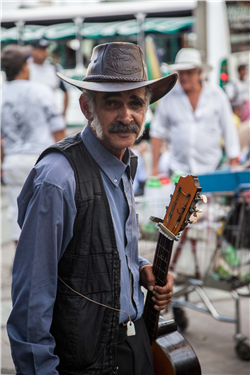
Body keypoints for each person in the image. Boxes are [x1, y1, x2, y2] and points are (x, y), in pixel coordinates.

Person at [7, 42, 177, 375]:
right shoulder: (58, 178)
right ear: (87, 107)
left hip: (133, 342)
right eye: (112, 103)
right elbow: (31, 300)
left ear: (146, 109)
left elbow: (103, 248)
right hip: (85, 358)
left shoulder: (126, 162)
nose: (126, 116)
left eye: (136, 103)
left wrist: (140, 269)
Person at [0, 44, 66, 246]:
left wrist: (4, 162)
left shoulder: (1, 95)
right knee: (47, 215)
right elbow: (58, 129)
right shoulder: (41, 91)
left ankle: (21, 268)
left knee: (16, 215)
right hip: (41, 161)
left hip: (13, 161)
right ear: (24, 67)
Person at [150, 48, 241, 176]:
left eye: (189, 72)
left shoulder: (216, 95)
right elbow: (157, 131)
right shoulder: (168, 98)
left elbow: (228, 128)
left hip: (211, 168)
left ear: (199, 74)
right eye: (181, 73)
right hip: (178, 170)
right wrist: (154, 167)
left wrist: (233, 160)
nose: (185, 77)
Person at [29, 39, 69, 117]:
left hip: (50, 115)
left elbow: (66, 91)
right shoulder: (25, 69)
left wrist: (63, 114)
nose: (44, 52)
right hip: (31, 116)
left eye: (45, 49)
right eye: (41, 49)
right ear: (32, 51)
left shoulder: (54, 68)